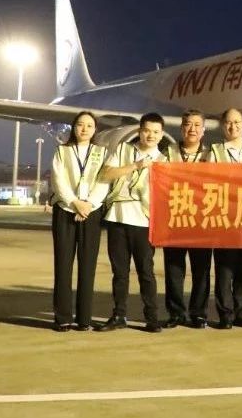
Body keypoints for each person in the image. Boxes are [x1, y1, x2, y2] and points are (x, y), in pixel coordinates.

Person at [94, 112, 164, 333]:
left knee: (146, 272)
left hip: (144, 221)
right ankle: (119, 315)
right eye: (147, 131)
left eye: (155, 132)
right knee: (120, 272)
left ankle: (152, 317)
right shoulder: (124, 150)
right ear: (139, 131)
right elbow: (105, 174)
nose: (150, 135)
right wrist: (135, 165)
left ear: (161, 135)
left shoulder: (164, 162)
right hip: (117, 218)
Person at [48, 110, 109, 332]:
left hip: (91, 212)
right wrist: (75, 203)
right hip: (66, 210)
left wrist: (88, 204)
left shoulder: (102, 153)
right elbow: (58, 180)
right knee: (63, 265)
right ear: (74, 128)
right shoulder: (62, 151)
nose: (84, 129)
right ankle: (62, 318)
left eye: (89, 126)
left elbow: (104, 181)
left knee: (88, 266)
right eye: (80, 125)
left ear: (95, 130)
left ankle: (84, 319)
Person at [162, 110, 213, 329]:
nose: (192, 129)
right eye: (188, 125)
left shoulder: (212, 154)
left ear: (204, 129)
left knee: (201, 270)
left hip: (202, 221)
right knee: (174, 269)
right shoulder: (168, 153)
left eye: (197, 125)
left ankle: (198, 313)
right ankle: (176, 313)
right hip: (175, 219)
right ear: (181, 128)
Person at [209, 108, 242, 328]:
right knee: (224, 269)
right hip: (224, 217)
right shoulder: (215, 151)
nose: (233, 126)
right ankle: (225, 314)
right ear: (223, 125)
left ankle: (241, 312)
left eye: (237, 122)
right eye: (229, 123)